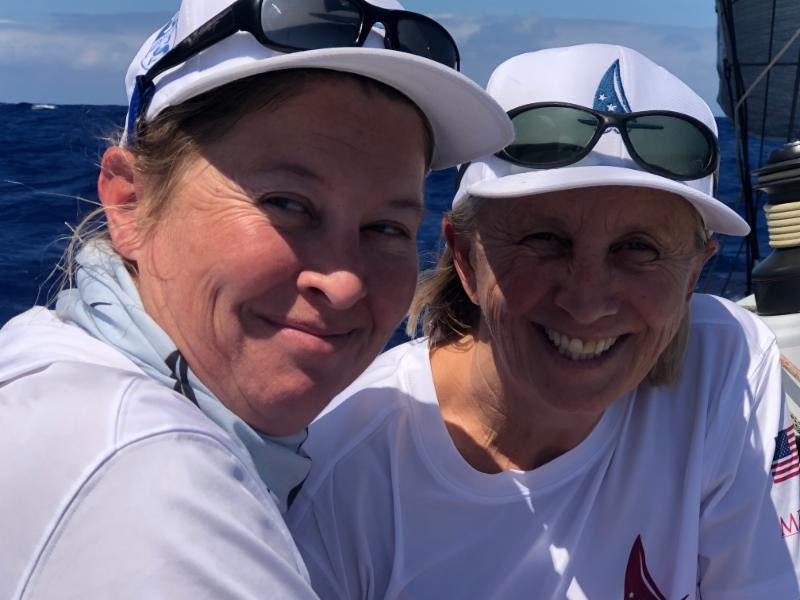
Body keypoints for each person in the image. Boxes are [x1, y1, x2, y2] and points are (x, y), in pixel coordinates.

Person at [0, 0, 513, 597]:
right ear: (130, 205)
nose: (344, 282)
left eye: (387, 229)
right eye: (287, 204)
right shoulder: (155, 490)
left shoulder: (50, 364)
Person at [287, 44, 800, 598]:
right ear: (465, 258)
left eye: (638, 247)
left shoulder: (726, 367)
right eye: (544, 240)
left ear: (694, 274)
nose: (587, 302)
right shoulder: (344, 478)